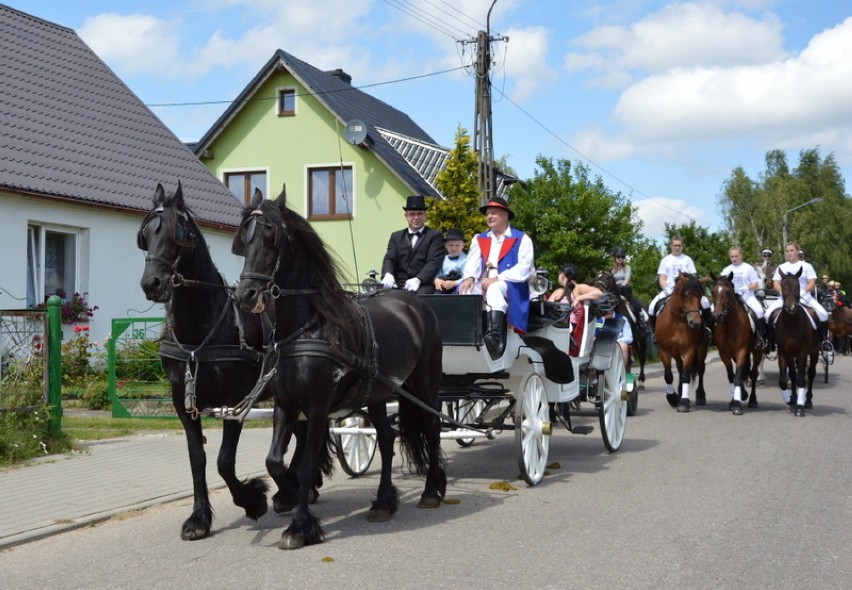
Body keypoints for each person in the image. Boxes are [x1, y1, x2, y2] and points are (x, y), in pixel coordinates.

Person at [459, 197, 534, 358]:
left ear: (505, 216)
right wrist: (470, 277)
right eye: (487, 214)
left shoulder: (522, 239)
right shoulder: (480, 239)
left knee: (494, 289)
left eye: (494, 213)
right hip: (484, 281)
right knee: (465, 290)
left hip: (511, 284)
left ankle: (495, 336)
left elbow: (525, 268)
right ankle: (467, 334)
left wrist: (498, 278)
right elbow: (472, 262)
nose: (489, 217)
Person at [766, 241, 831, 350]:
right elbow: (776, 283)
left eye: (792, 250)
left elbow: (811, 282)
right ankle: (770, 341)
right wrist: (783, 293)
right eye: (787, 251)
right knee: (767, 315)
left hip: (804, 296)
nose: (789, 253)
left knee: (823, 314)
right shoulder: (781, 267)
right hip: (785, 297)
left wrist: (803, 291)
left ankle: (824, 340)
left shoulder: (806, 266)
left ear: (797, 251)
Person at [647, 236, 712, 336]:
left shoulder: (687, 260)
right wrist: (665, 288)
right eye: (675, 245)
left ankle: (706, 328)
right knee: (651, 306)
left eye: (679, 245)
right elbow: (662, 277)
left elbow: (692, 278)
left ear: (682, 246)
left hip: (687, 291)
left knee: (706, 302)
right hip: (668, 290)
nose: (677, 247)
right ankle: (655, 332)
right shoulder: (665, 260)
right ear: (671, 246)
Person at [380, 195, 445, 294]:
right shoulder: (396, 236)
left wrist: (418, 279)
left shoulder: (435, 236)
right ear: (406, 216)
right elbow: (390, 258)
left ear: (425, 216)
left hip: (422, 285)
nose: (416, 217)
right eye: (412, 214)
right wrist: (388, 274)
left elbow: (434, 261)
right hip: (398, 284)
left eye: (419, 214)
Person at [548, 263, 605, 355]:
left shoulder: (578, 288)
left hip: (572, 330)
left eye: (559, 273)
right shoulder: (558, 291)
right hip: (554, 326)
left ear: (563, 275)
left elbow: (599, 293)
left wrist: (579, 298)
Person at [720, 246, 767, 350]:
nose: (734, 258)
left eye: (736, 256)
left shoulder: (748, 268)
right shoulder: (726, 270)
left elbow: (755, 285)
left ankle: (760, 337)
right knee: (715, 310)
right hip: (730, 298)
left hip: (747, 296)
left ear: (741, 256)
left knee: (759, 311)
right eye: (732, 256)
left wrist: (745, 288)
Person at [609, 246, 649, 333]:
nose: (620, 259)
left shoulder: (627, 268)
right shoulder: (611, 270)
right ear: (615, 257)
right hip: (614, 292)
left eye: (622, 257)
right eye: (618, 257)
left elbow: (627, 279)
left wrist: (622, 285)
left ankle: (641, 321)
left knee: (635, 304)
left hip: (624, 290)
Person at [433, 228, 467, 294]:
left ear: (463, 245)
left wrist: (455, 283)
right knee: (436, 295)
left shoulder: (467, 260)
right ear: (445, 245)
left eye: (457, 245)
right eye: (451, 245)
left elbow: (467, 277)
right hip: (444, 285)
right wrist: (437, 280)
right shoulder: (443, 259)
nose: (454, 248)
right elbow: (438, 273)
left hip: (459, 286)